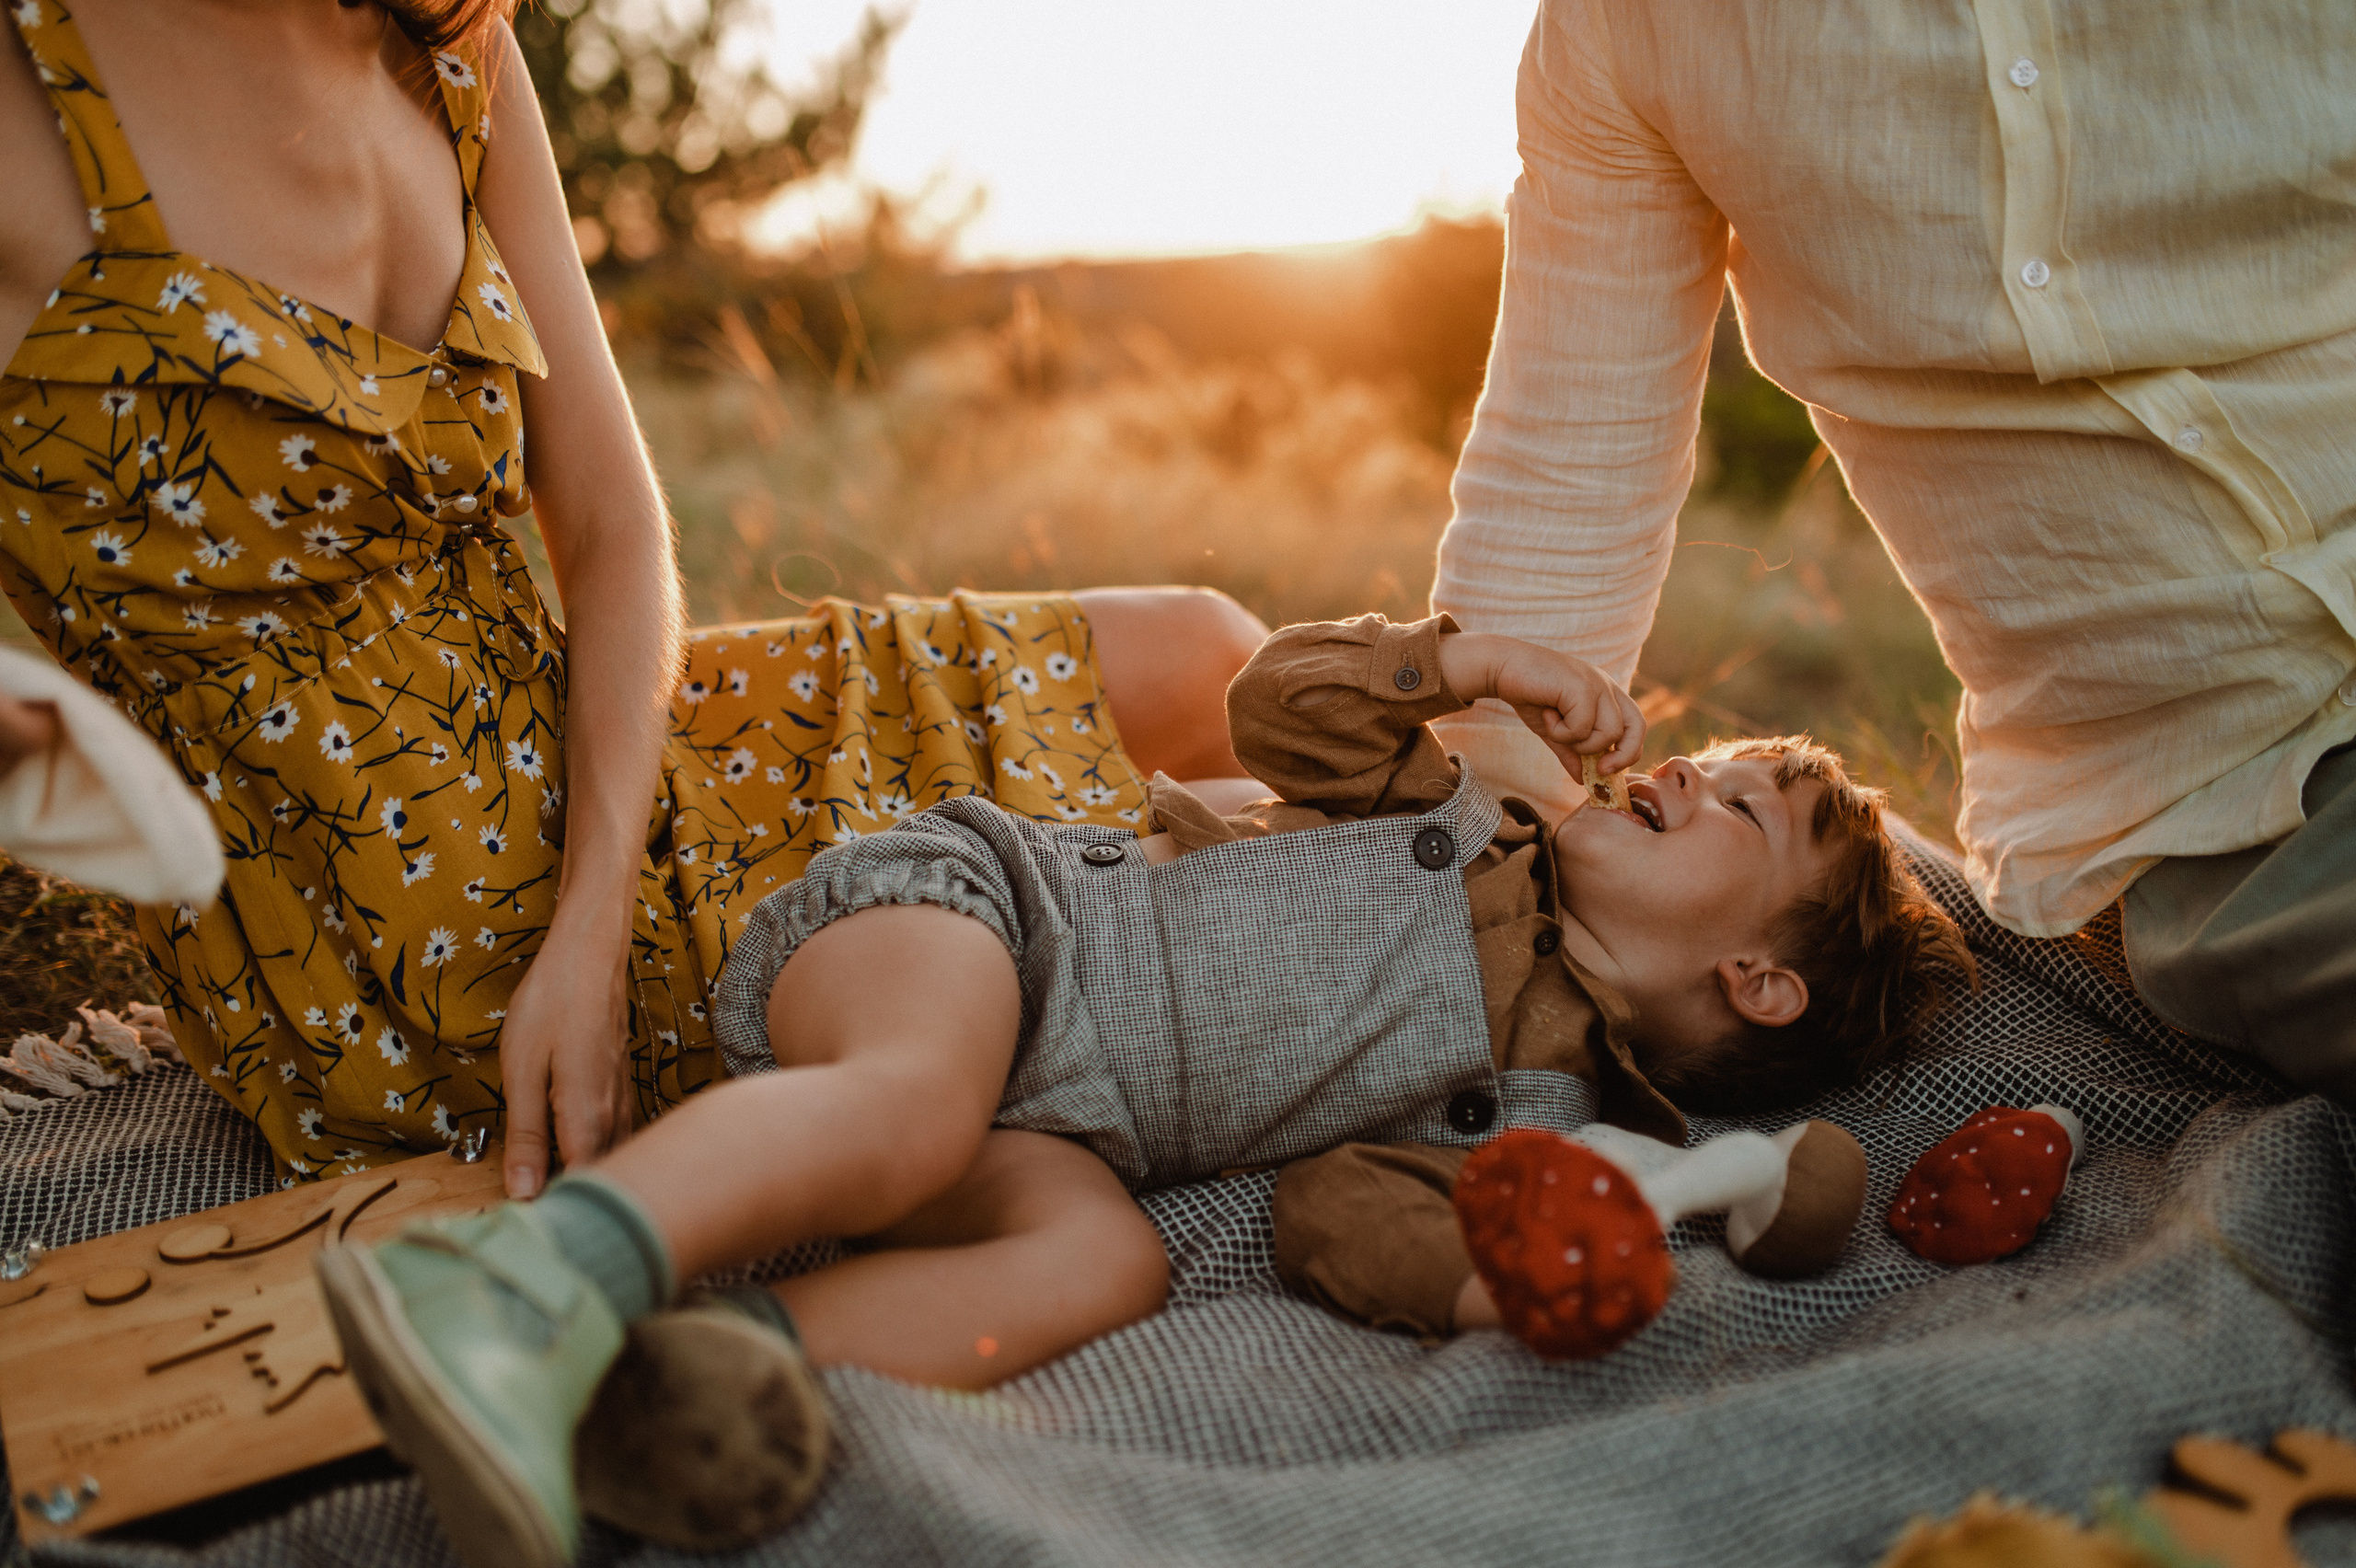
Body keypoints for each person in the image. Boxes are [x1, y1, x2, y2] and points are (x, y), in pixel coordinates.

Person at [317, 610, 1971, 1568]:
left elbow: (1333, 1214)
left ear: (1760, 979)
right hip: (984, 926)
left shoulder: (1539, 1119)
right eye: (1716, 755)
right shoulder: (1471, 815)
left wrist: (1493, 1272)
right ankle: (533, 1276)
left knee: (1108, 1258)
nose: (1686, 763)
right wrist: (1457, 654)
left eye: (1744, 805)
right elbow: (1280, 705)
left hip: (1049, 1122)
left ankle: (668, 1379)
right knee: (911, 1098)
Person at [0, 0, 1266, 1202]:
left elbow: (609, 523)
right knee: (1274, 859)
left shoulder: (449, 54)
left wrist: (593, 924)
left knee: (1224, 658)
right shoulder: (33, 94)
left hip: (600, 770)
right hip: (402, 952)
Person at [1425, 0, 2356, 1090]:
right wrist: (1442, 869)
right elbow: (1563, 475)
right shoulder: (1631, 30)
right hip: (2233, 792)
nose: (1675, 772)